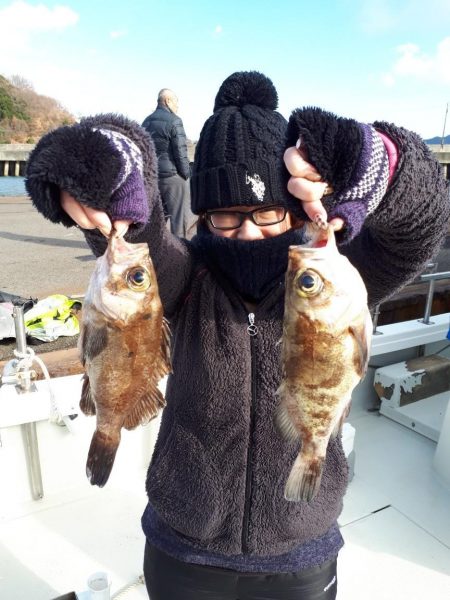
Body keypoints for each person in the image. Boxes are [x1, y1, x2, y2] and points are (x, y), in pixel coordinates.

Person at [25, 71, 450, 600]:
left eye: (267, 212)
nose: (247, 231)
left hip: (302, 549)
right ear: (202, 216)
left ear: (296, 207)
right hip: (184, 547)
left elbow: (424, 219)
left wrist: (383, 159)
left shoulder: (344, 276)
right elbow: (139, 230)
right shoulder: (183, 276)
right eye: (224, 216)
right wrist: (106, 166)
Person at [141, 88, 193, 237]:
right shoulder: (175, 120)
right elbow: (181, 152)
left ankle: (154, 250)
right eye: (176, 102)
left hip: (152, 177)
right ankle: (179, 251)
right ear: (168, 101)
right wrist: (186, 174)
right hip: (172, 177)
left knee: (156, 219)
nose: (177, 107)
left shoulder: (145, 121)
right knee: (178, 218)